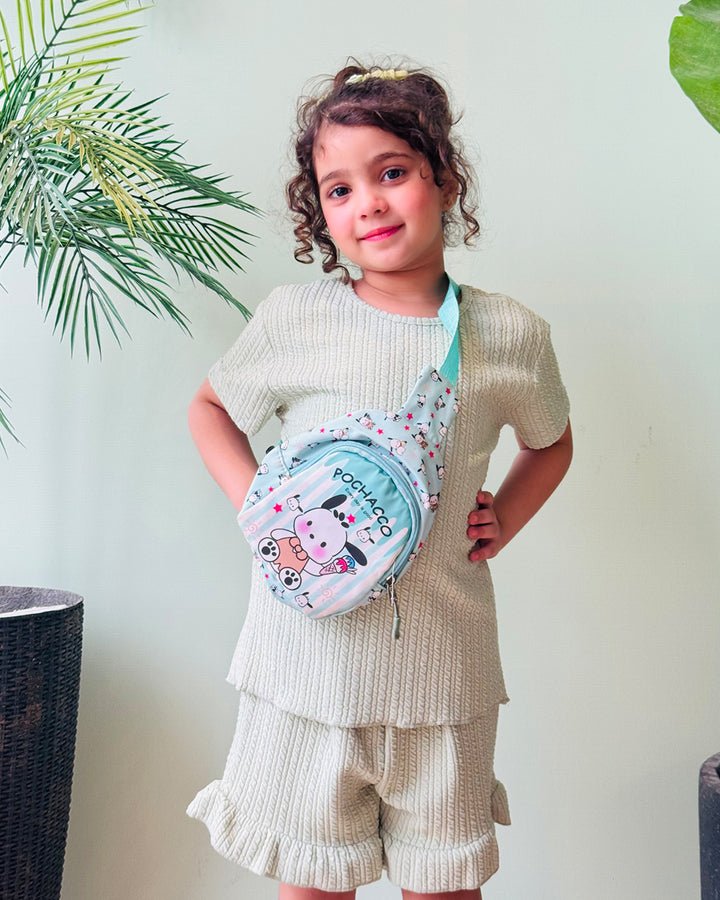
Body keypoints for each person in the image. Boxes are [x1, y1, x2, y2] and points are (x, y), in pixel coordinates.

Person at [186, 62, 572, 900]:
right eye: (338, 188)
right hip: (306, 678)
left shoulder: (508, 334)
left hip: (443, 679)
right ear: (318, 212)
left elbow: (552, 444)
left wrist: (502, 517)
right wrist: (256, 503)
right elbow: (212, 408)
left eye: (391, 172)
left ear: (444, 177)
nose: (368, 203)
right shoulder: (295, 319)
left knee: (444, 889)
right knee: (312, 886)